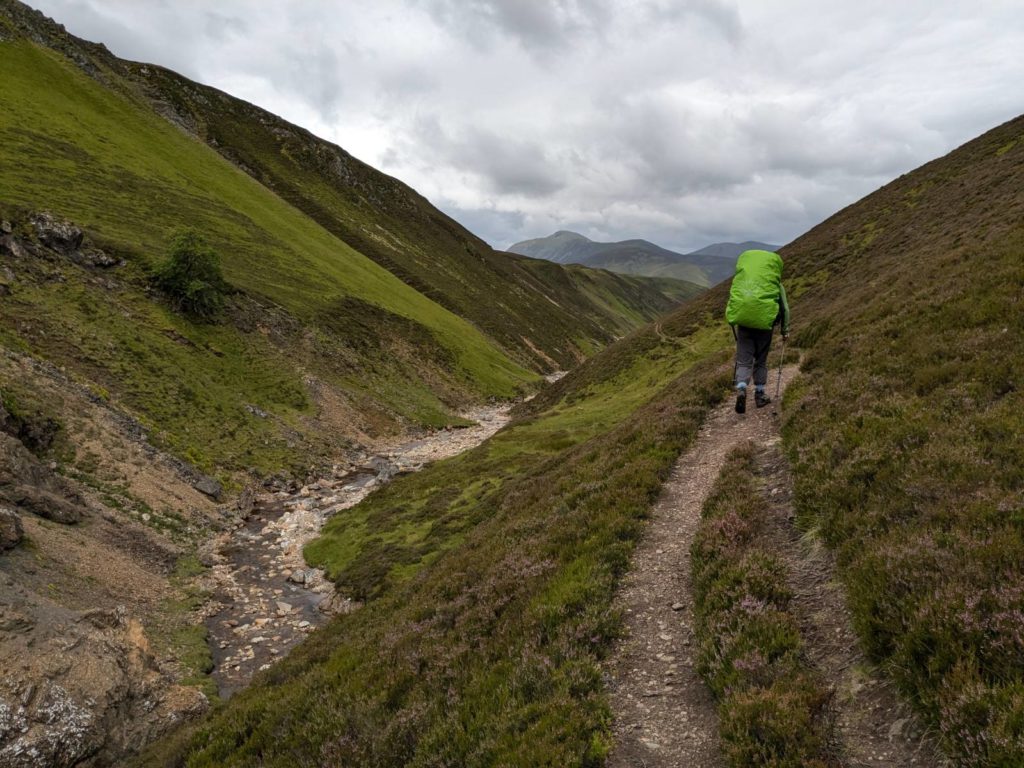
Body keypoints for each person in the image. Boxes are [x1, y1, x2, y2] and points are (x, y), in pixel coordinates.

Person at [725, 249, 790, 414]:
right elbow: (785, 309)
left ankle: (741, 388)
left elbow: (734, 300)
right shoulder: (776, 286)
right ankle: (760, 395)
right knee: (760, 360)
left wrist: (732, 319)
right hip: (765, 328)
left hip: (744, 326)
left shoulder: (743, 282)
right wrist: (785, 330)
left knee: (743, 360)